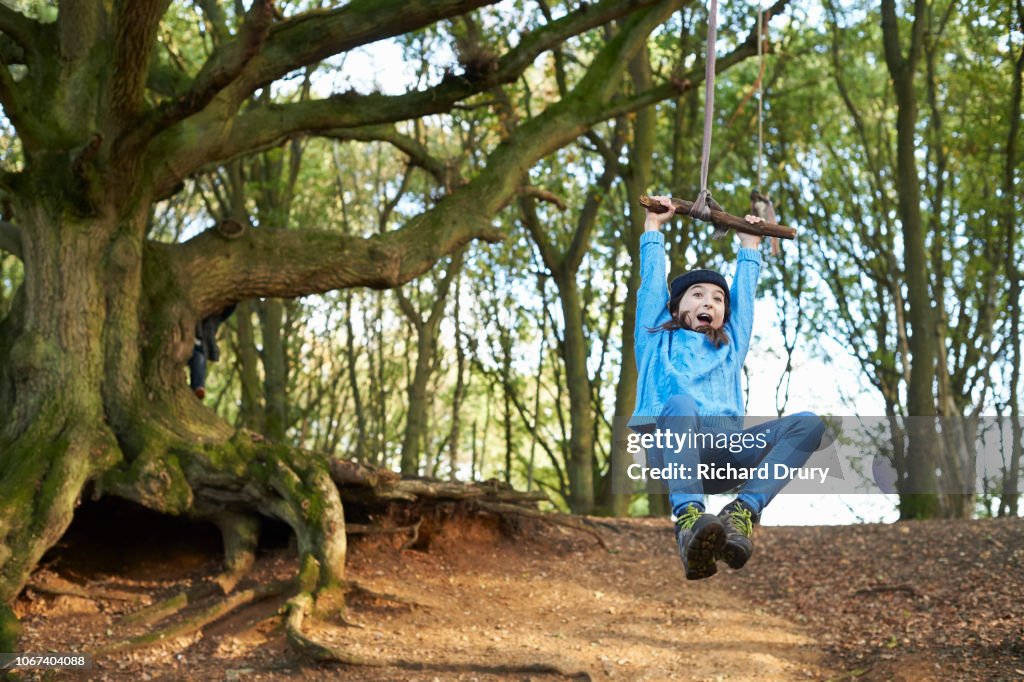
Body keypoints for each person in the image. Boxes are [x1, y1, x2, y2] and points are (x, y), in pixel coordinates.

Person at [629, 195, 825, 580]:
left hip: (725, 456)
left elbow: (744, 300)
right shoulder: (654, 338)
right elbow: (651, 285)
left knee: (809, 424)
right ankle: (688, 519)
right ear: (675, 308)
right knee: (681, 403)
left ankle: (741, 512)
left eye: (718, 298)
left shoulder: (730, 344)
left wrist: (750, 246)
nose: (710, 302)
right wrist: (653, 228)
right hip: (673, 451)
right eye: (698, 295)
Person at [189, 304, 237, 399]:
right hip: (187, 340)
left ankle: (197, 387)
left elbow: (231, 306)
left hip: (200, 346)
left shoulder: (217, 317)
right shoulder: (197, 308)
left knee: (199, 359)